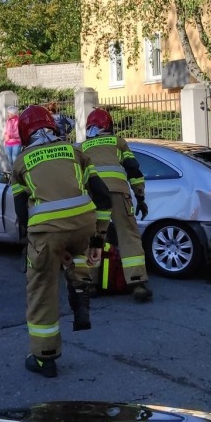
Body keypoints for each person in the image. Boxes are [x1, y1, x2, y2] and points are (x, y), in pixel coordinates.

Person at [11, 105, 113, 378]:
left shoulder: (21, 162)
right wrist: (97, 239)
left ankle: (45, 358)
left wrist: (40, 246)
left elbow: (22, 216)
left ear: (24, 134)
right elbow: (103, 197)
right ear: (52, 127)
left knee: (41, 289)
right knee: (78, 252)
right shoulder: (74, 152)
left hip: (48, 233)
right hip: (84, 224)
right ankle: (80, 288)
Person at [81, 107, 152, 302]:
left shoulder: (82, 147)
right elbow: (133, 170)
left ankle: (90, 284)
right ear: (109, 126)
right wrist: (141, 198)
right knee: (128, 235)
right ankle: (137, 283)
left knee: (94, 237)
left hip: (94, 196)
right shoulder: (118, 142)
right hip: (118, 193)